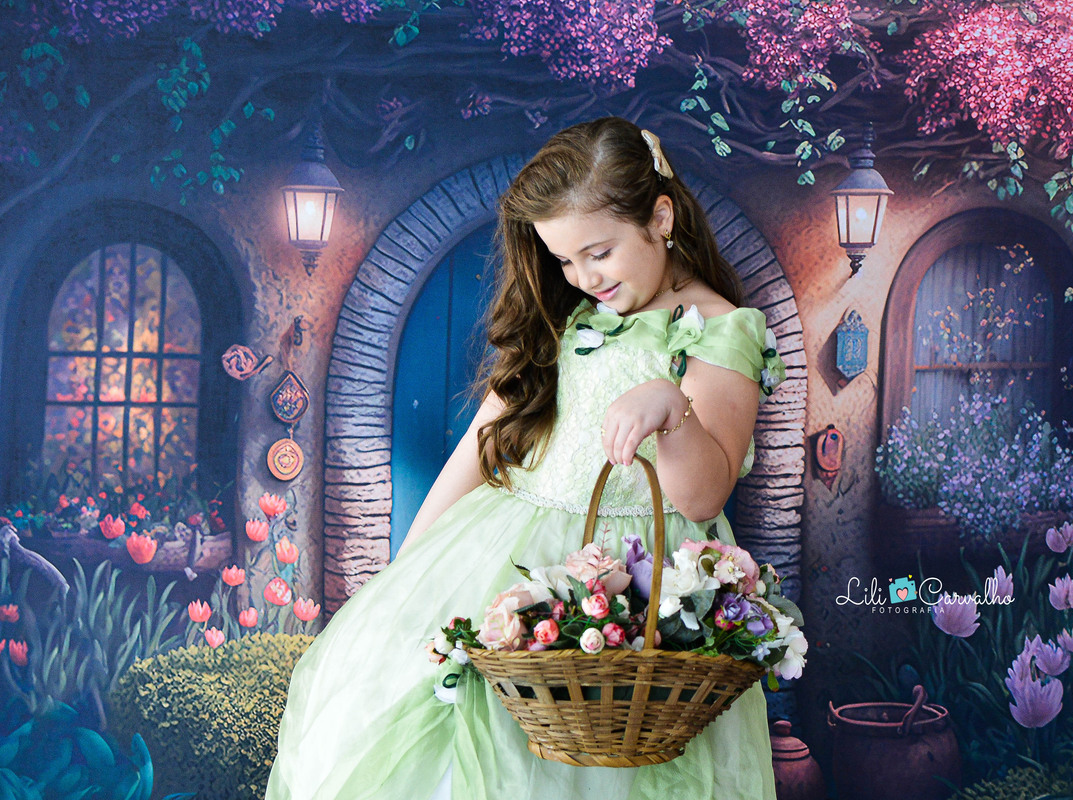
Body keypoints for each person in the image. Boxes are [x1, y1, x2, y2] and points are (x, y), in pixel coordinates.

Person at [264, 115, 787, 800]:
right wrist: (404, 577)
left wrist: (672, 407)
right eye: (565, 260)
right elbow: (483, 444)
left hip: (638, 581)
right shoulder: (576, 313)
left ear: (660, 216)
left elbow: (701, 497)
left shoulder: (720, 329)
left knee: (599, 767)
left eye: (599, 252)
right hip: (506, 553)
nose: (581, 276)